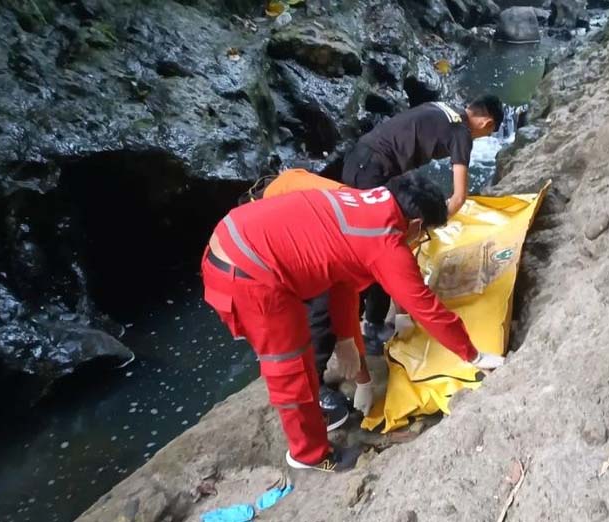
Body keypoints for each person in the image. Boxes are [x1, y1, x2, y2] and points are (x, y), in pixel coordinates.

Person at [201, 173, 504, 473]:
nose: (419, 241)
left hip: (235, 236)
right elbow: (426, 307)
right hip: (247, 273)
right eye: (424, 234)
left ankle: (310, 422)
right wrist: (473, 355)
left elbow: (340, 278)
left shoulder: (365, 201)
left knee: (301, 349)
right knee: (291, 364)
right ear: (415, 224)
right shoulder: (386, 242)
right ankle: (309, 454)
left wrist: (347, 338)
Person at [340, 94, 505, 354]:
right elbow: (459, 197)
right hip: (373, 169)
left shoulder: (445, 108)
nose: (482, 137)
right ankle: (371, 327)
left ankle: (362, 320)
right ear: (487, 123)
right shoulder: (461, 132)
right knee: (386, 245)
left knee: (368, 240)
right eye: (487, 133)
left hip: (358, 158)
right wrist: (431, 225)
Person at [262, 169, 374, 430]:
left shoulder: (364, 220)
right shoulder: (348, 242)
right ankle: (313, 388)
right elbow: (344, 312)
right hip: (276, 222)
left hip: (296, 212)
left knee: (335, 309)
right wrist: (364, 381)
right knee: (320, 315)